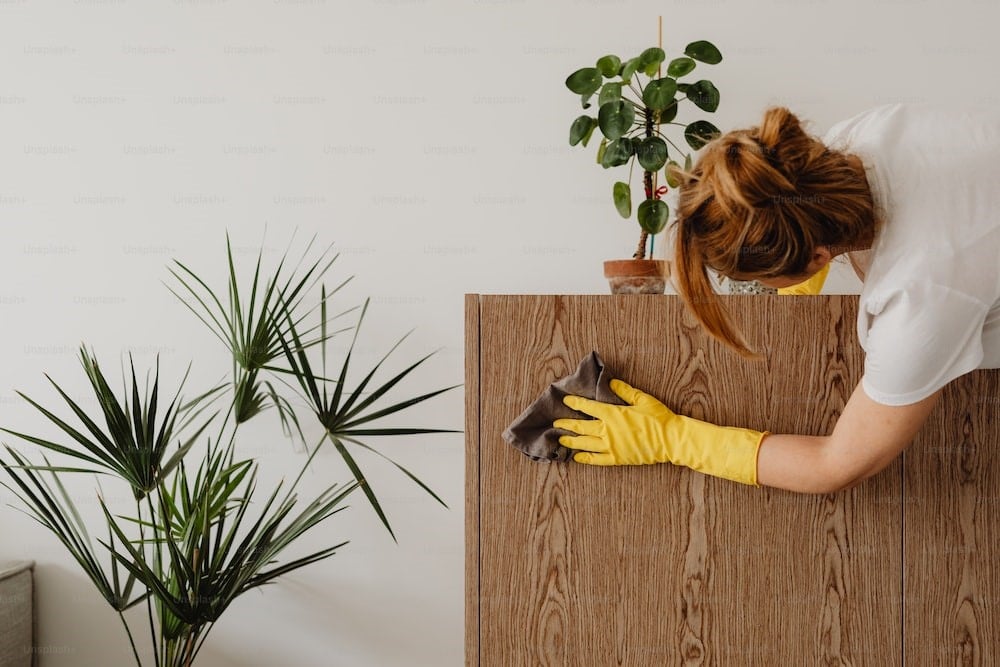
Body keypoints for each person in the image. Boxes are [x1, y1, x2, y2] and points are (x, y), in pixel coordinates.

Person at [553, 102, 1000, 494]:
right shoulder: (863, 136)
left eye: (760, 277)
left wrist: (671, 438)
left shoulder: (918, 300)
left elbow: (837, 464)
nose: (762, 288)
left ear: (816, 256)